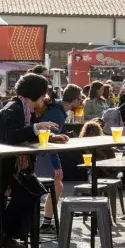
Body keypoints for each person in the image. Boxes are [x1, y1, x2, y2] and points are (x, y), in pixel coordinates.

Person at [0, 74, 67, 248]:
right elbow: (11, 136)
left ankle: (0, 230)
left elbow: (28, 132)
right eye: (44, 95)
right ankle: (2, 231)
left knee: (33, 190)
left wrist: (52, 137)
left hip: (5, 169)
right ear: (38, 94)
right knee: (30, 190)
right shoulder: (13, 108)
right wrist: (37, 128)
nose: (46, 99)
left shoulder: (25, 109)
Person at [35, 84, 82, 232]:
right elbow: (48, 139)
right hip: (41, 152)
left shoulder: (56, 107)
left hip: (38, 151)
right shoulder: (58, 114)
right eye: (80, 99)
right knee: (55, 185)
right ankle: (45, 224)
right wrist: (57, 166)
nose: (81, 102)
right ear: (74, 100)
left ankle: (45, 223)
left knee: (55, 186)